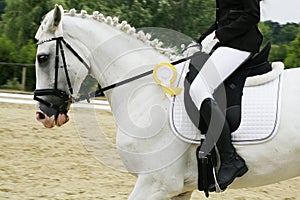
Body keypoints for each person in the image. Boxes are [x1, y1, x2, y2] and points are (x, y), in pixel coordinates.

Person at [191, 0, 263, 191]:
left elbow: (251, 16)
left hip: (240, 43)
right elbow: (224, 18)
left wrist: (218, 36)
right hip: (228, 43)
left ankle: (230, 159)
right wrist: (199, 41)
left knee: (199, 89)